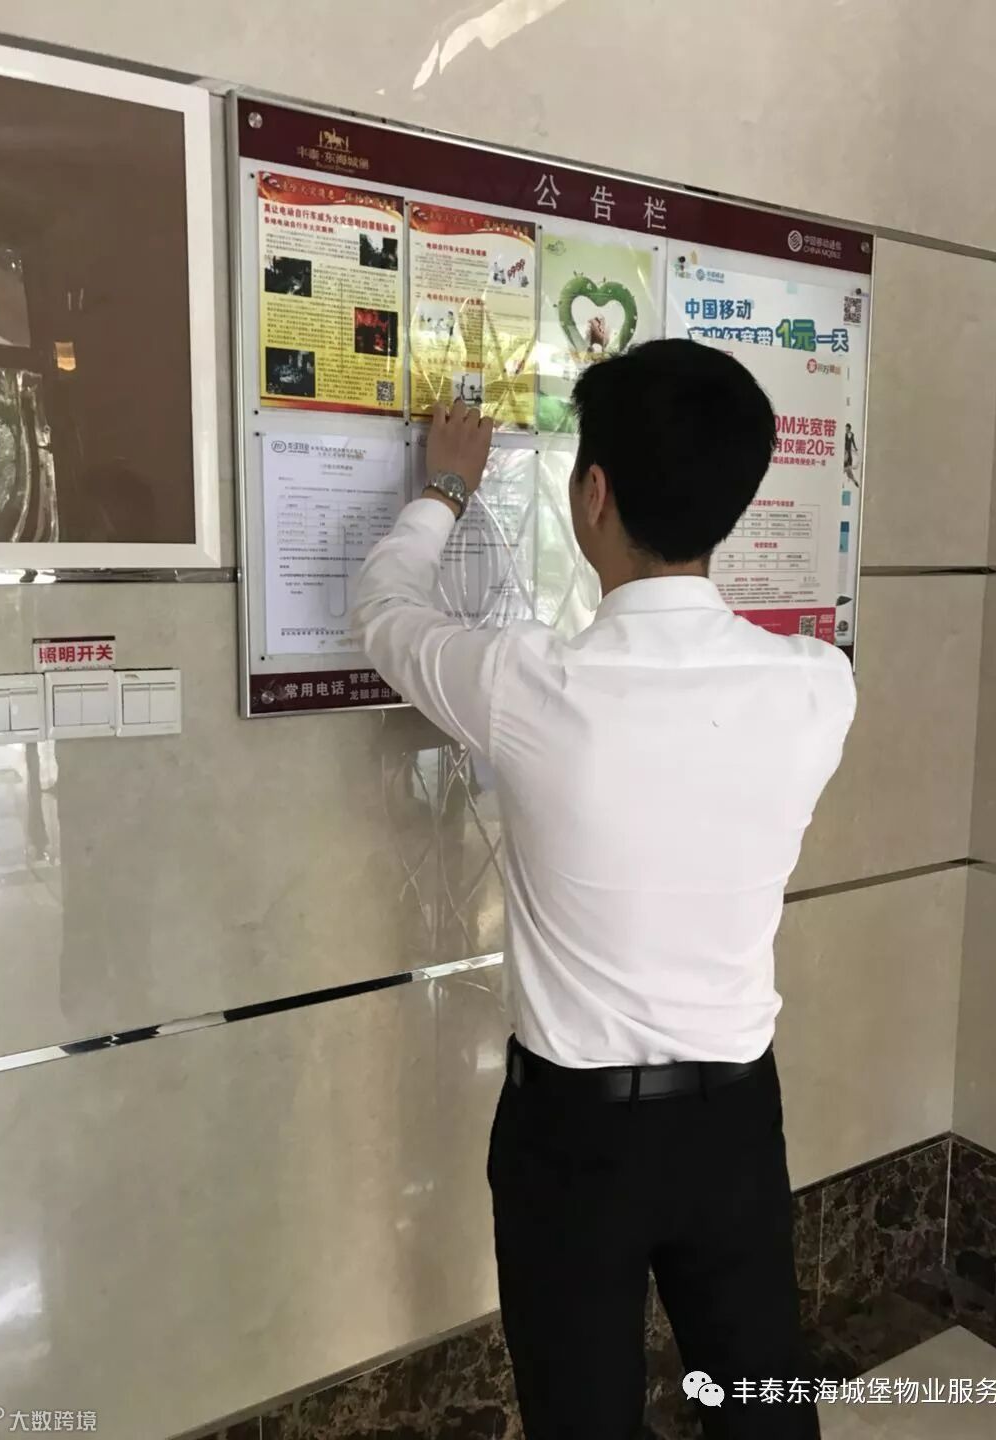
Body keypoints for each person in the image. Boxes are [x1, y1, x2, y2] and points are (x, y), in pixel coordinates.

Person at [352, 339, 857, 1440]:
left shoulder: (531, 683)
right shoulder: (819, 688)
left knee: (581, 1415)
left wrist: (446, 489)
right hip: (735, 1123)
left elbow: (384, 612)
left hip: (573, 1135)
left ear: (593, 494)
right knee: (762, 1403)